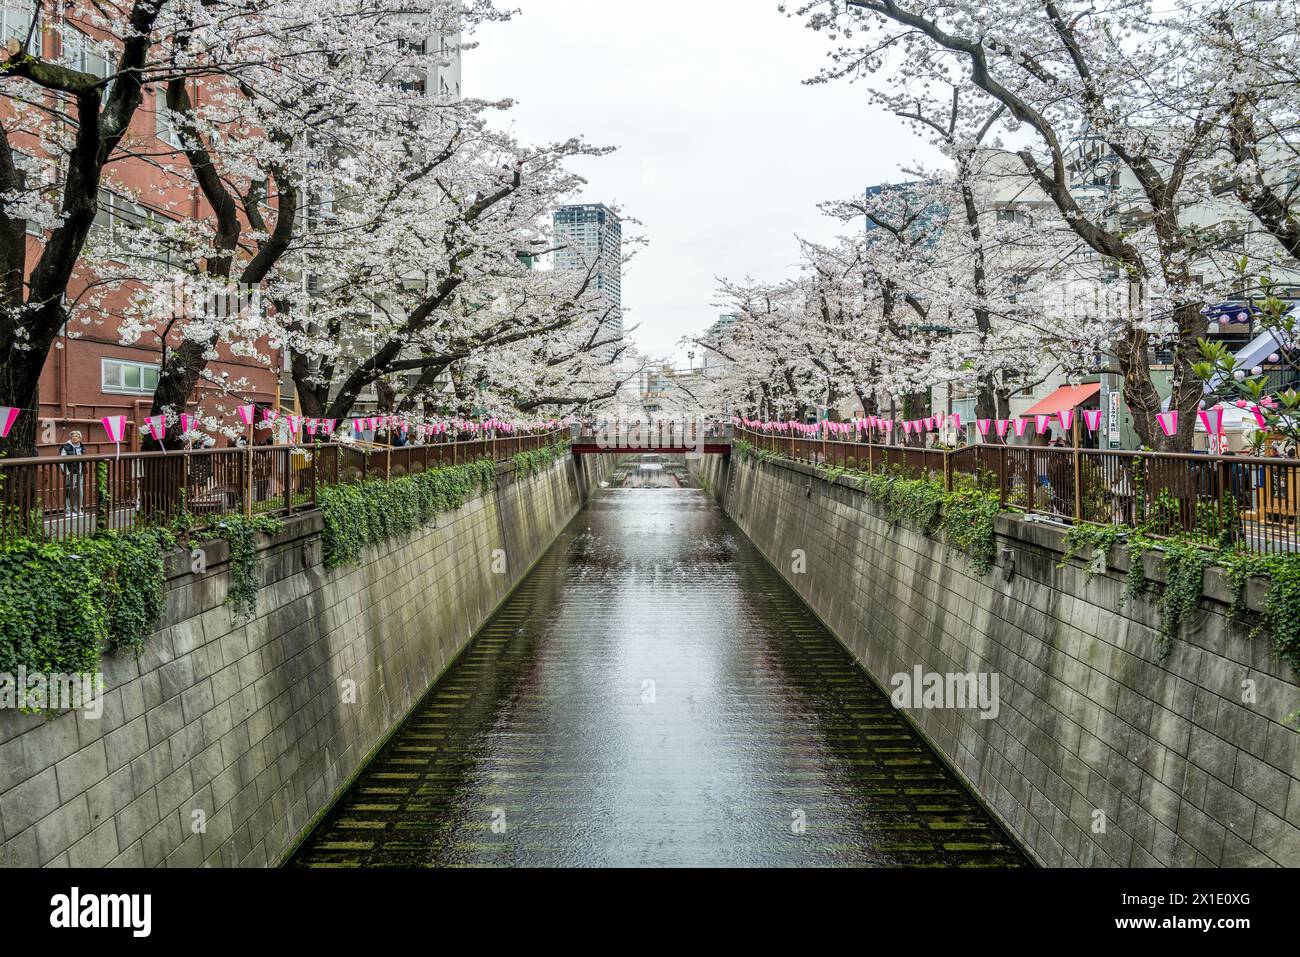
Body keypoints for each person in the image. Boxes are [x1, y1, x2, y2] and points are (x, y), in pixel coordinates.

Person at [59, 430, 87, 516]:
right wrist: (66, 471)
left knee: (79, 490)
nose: (74, 437)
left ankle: (77, 509)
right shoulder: (66, 447)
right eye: (73, 436)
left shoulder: (82, 447)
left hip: (80, 472)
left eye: (76, 436)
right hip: (70, 472)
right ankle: (67, 511)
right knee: (69, 490)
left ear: (80, 438)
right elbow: (62, 460)